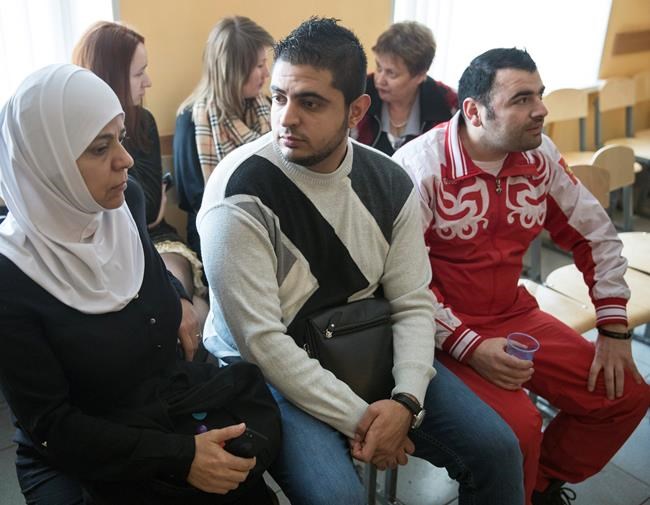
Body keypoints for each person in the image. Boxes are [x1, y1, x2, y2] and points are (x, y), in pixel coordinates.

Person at [198, 17, 526, 505]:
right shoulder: (238, 192)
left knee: (499, 450)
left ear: (356, 110)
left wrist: (406, 400)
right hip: (270, 372)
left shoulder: (389, 180)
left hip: (363, 342)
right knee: (339, 498)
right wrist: (368, 422)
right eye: (279, 98)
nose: (286, 118)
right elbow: (262, 343)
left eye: (310, 102)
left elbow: (412, 301)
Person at [0, 64, 280, 504]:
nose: (125, 160)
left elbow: (141, 274)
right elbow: (53, 425)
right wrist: (180, 457)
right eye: (100, 148)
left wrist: (177, 296)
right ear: (46, 163)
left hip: (160, 406)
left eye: (121, 138)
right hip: (79, 447)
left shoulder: (123, 203)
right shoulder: (12, 275)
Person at [392, 47, 650, 505]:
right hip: (437, 332)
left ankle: (536, 488)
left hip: (513, 314)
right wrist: (471, 347)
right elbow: (402, 283)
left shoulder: (539, 155)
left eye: (540, 95)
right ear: (474, 111)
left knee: (624, 394)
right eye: (522, 99)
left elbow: (596, 236)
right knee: (519, 429)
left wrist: (613, 328)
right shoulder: (418, 168)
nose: (541, 110)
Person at [73, 21, 209, 328]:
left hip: (154, 240)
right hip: (99, 241)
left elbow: (145, 211)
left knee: (179, 298)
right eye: (138, 73)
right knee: (179, 310)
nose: (148, 82)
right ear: (112, 77)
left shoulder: (142, 121)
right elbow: (144, 209)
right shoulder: (74, 127)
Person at [174, 16, 273, 257]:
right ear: (233, 70)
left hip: (269, 223)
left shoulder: (269, 107)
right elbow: (192, 198)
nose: (267, 73)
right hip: (215, 232)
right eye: (259, 66)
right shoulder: (191, 119)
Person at [353, 21, 457, 155]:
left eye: (391, 73)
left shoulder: (449, 106)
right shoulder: (358, 93)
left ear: (420, 75)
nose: (379, 79)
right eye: (379, 67)